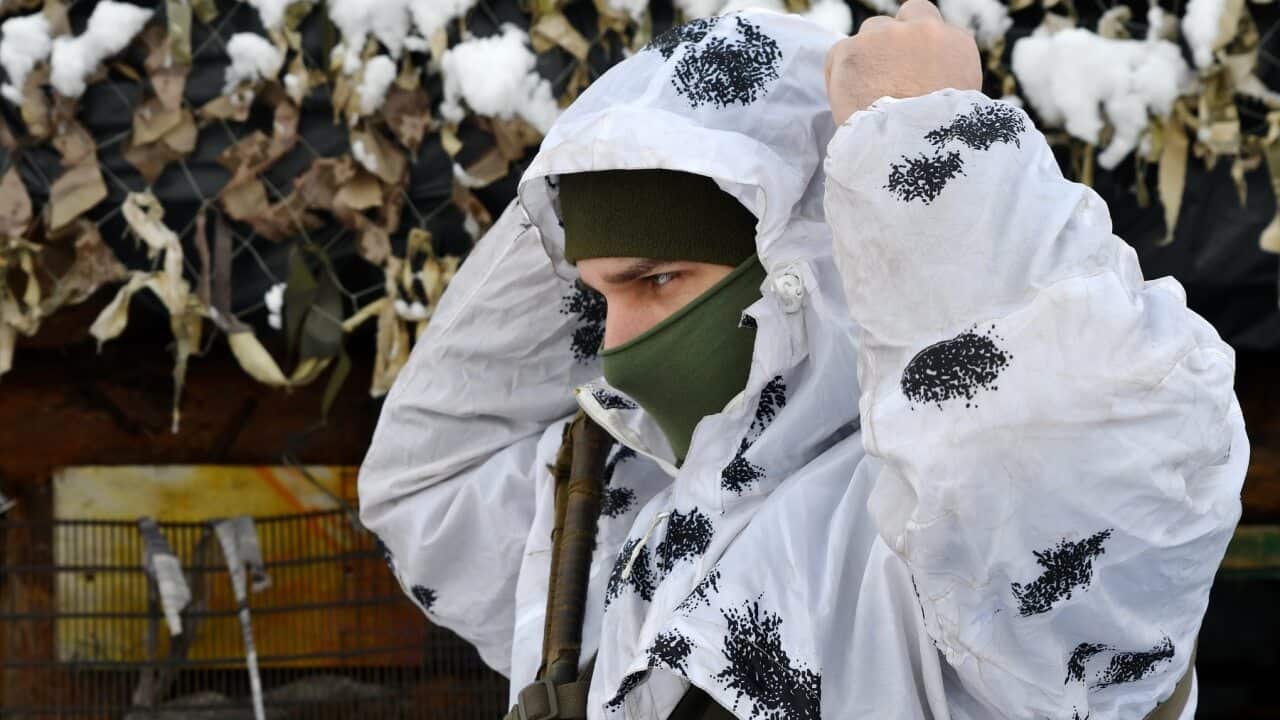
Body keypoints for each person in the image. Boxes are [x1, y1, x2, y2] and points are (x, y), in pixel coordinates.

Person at [358, 3, 1247, 719]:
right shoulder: (639, 513)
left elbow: (1049, 450)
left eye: (658, 280)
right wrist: (591, 172)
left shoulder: (933, 550)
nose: (616, 356)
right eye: (596, 301)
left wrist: (923, 144)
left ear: (802, 271)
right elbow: (428, 489)